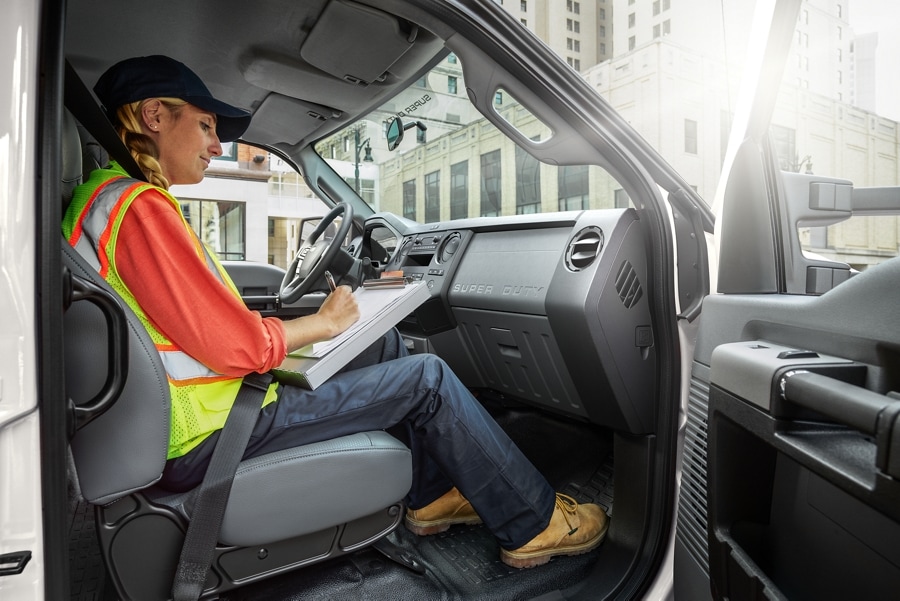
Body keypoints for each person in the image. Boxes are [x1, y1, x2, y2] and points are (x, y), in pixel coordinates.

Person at [62, 55, 608, 569]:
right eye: (206, 126)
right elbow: (237, 347)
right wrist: (323, 323)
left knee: (386, 346)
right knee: (428, 377)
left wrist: (318, 327)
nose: (215, 146)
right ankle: (531, 521)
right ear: (155, 115)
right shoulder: (140, 208)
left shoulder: (101, 201)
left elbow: (199, 328)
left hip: (200, 418)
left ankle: (432, 497)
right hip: (207, 435)